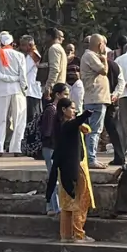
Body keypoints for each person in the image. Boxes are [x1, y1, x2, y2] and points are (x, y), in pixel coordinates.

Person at [46, 100, 95, 243]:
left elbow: (83, 127)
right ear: (63, 109)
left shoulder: (64, 125)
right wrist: (86, 114)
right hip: (75, 168)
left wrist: (80, 123)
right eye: (72, 108)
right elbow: (76, 123)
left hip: (65, 168)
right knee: (80, 201)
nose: (74, 111)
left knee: (67, 203)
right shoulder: (67, 125)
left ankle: (66, 235)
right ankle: (78, 234)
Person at [0, 31, 28, 157]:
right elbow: (23, 76)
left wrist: (9, 78)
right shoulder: (19, 56)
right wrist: (23, 88)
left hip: (2, 89)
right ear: (12, 43)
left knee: (0, 119)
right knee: (19, 119)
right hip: (17, 89)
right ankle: (17, 148)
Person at [80, 33, 111, 169]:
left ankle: (90, 157)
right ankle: (91, 159)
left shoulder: (90, 56)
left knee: (93, 130)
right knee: (94, 130)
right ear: (100, 45)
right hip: (95, 98)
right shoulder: (90, 56)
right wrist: (104, 58)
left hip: (95, 98)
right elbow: (103, 71)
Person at [39, 83, 69, 216]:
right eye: (65, 94)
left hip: (54, 147)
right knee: (55, 179)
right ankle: (55, 208)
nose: (67, 96)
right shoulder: (52, 110)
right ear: (58, 94)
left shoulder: (58, 110)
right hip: (51, 147)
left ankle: (51, 207)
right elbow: (48, 131)